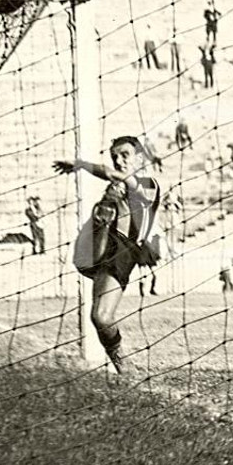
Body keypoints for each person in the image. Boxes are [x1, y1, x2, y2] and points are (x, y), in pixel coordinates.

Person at [54, 135, 161, 374]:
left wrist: (80, 164)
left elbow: (115, 176)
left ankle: (126, 368)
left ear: (140, 158)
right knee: (98, 317)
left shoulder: (148, 184)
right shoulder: (116, 188)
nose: (119, 161)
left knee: (102, 317)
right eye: (115, 156)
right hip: (104, 247)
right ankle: (124, 368)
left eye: (125, 155)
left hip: (123, 251)